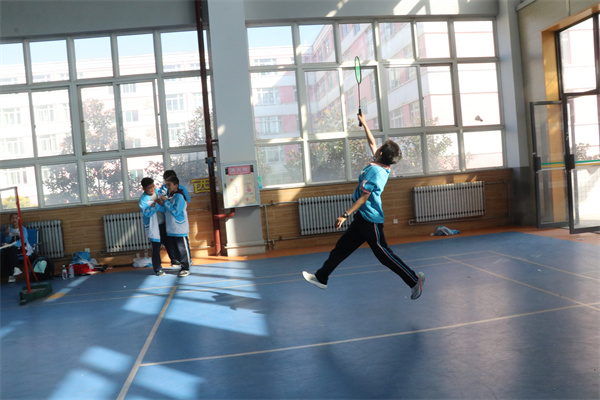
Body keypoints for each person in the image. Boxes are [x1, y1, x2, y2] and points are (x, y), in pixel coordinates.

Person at [302, 112, 425, 300]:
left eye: (379, 148)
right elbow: (372, 143)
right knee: (342, 248)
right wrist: (364, 123)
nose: (376, 147)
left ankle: (414, 280)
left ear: (381, 154)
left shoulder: (375, 172)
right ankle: (321, 277)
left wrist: (345, 214)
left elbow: (363, 199)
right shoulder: (382, 164)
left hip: (370, 220)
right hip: (362, 218)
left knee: (384, 255)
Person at [160, 175, 191, 277]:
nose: (167, 187)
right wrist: (158, 205)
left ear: (176, 185)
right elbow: (166, 210)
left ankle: (186, 268)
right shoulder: (171, 196)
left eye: (169, 184)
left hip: (179, 229)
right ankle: (181, 266)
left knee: (182, 250)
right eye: (166, 184)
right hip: (171, 229)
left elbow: (175, 211)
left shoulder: (179, 197)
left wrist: (166, 201)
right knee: (176, 250)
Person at [139, 178, 166, 276]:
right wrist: (157, 205)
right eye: (149, 188)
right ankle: (158, 269)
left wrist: (160, 204)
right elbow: (148, 213)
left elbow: (164, 208)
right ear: (144, 189)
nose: (152, 189)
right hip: (153, 227)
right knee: (156, 248)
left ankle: (176, 261)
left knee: (170, 243)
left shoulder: (159, 192)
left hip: (163, 223)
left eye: (153, 186)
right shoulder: (143, 200)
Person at [1, 213, 29, 283]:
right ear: (10, 220)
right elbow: (8, 241)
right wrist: (8, 235)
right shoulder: (10, 229)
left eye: (16, 218)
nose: (14, 220)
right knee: (5, 253)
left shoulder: (23, 229)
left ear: (19, 220)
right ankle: (12, 272)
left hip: (22, 247)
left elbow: (23, 240)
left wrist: (12, 245)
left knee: (11, 250)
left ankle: (14, 270)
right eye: (12, 218)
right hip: (12, 248)